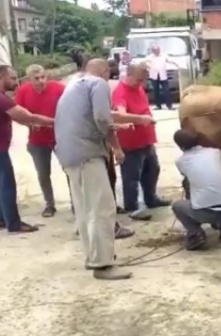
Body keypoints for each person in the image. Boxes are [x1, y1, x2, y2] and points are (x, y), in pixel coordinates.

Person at [54, 59, 136, 280]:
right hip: (87, 154)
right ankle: (103, 264)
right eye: (109, 74)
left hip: (70, 154)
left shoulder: (73, 84)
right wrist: (116, 148)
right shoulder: (97, 84)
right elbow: (102, 118)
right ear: (103, 71)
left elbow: (88, 120)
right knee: (102, 208)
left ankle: (94, 257)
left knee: (85, 210)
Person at [0, 65, 54, 233]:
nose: (15, 82)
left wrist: (30, 122)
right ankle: (14, 224)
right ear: (1, 78)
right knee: (6, 184)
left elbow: (17, 117)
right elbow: (27, 116)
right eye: (12, 78)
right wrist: (54, 121)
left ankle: (2, 218)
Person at [111, 63, 170, 219]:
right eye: (138, 80)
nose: (141, 84)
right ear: (128, 75)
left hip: (146, 138)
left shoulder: (138, 88)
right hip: (131, 142)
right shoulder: (120, 92)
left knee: (153, 169)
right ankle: (132, 207)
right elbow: (120, 113)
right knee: (131, 176)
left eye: (143, 80)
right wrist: (137, 120)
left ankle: (151, 198)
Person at [172, 129, 221, 250]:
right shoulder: (216, 152)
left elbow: (188, 179)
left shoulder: (180, 161)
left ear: (180, 146)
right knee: (218, 190)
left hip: (206, 212)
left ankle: (195, 234)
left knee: (178, 206)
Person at [15, 64, 65, 217]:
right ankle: (50, 204)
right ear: (29, 79)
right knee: (43, 174)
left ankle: (77, 203)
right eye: (36, 79)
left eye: (43, 77)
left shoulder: (58, 88)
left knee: (70, 170)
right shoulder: (23, 91)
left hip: (61, 137)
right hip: (37, 140)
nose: (41, 81)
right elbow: (17, 114)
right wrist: (30, 124)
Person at [144, 45, 178, 110]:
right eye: (155, 50)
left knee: (166, 90)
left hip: (163, 76)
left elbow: (171, 60)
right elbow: (142, 62)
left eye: (158, 50)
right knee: (156, 91)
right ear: (153, 51)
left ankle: (169, 105)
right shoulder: (149, 57)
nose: (157, 51)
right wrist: (147, 67)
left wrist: (177, 65)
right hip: (154, 76)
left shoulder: (163, 55)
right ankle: (158, 105)